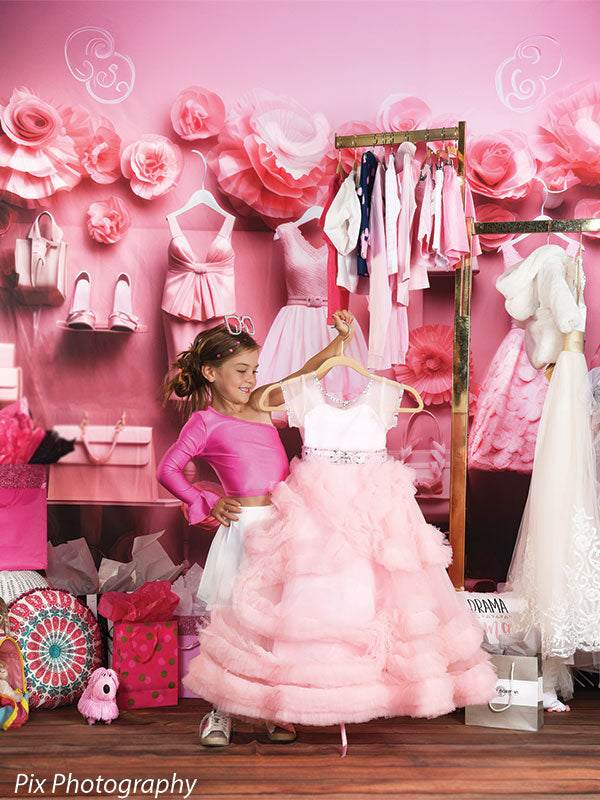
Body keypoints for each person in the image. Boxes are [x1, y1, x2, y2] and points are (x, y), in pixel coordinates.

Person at [156, 310, 356, 746]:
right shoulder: (204, 422)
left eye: (254, 371)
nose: (250, 380)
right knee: (234, 623)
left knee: (277, 621)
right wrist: (205, 500)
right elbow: (168, 469)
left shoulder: (262, 402)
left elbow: (308, 374)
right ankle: (220, 711)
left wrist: (340, 341)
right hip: (245, 529)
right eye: (241, 371)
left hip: (285, 527)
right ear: (211, 373)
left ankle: (272, 708)